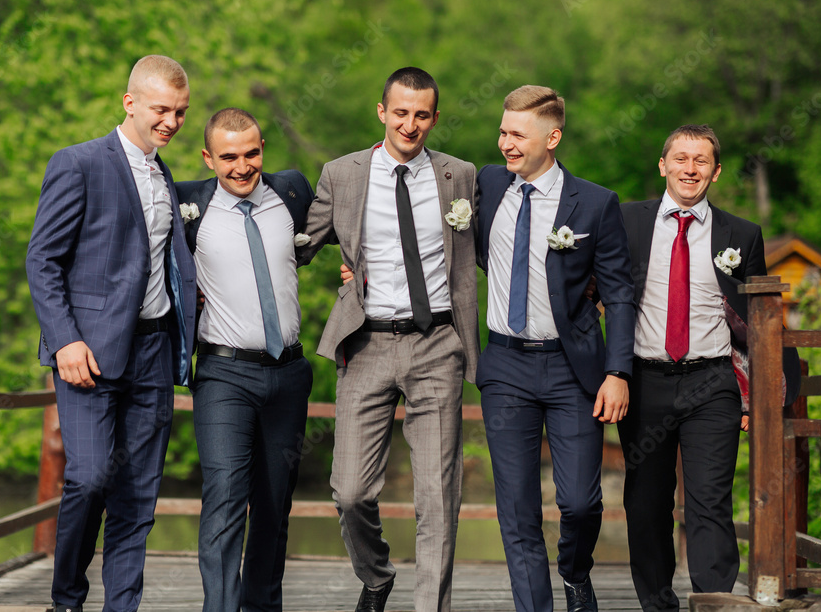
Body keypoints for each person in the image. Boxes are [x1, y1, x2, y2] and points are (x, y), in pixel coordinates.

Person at [297, 67, 478, 612]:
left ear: (435, 118)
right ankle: (376, 575)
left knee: (437, 497)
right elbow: (301, 244)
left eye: (421, 115)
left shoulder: (460, 176)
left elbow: (501, 239)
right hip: (366, 342)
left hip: (437, 343)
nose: (410, 124)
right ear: (382, 112)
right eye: (400, 112)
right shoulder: (342, 174)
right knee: (350, 491)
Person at [26, 55, 196, 612]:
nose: (171, 121)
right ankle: (66, 599)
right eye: (161, 109)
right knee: (91, 478)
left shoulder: (165, 175)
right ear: (130, 102)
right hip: (90, 354)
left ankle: (122, 606)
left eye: (180, 112)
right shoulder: (78, 163)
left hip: (154, 351)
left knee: (138, 495)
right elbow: (42, 260)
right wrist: (64, 340)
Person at [618, 124, 801, 611]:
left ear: (715, 172)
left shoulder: (742, 233)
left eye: (701, 161)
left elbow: (759, 319)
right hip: (644, 380)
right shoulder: (627, 221)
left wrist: (762, 392)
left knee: (709, 500)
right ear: (663, 165)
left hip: (713, 382)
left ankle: (714, 602)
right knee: (646, 504)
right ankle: (658, 605)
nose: (690, 169)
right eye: (680, 158)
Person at [475, 85, 635, 612]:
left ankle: (574, 571)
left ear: (552, 137)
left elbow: (619, 292)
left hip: (574, 369)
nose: (505, 144)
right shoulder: (487, 185)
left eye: (518, 135)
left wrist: (618, 372)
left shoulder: (595, 203)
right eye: (503, 131)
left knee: (581, 502)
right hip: (505, 366)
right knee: (517, 507)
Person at [175, 108, 313, 612]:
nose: (242, 166)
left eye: (251, 153)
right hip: (223, 374)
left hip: (289, 374)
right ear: (208, 158)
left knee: (274, 505)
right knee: (226, 494)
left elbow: (340, 236)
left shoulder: (291, 192)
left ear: (263, 150)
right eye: (228, 156)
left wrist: (353, 270)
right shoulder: (188, 204)